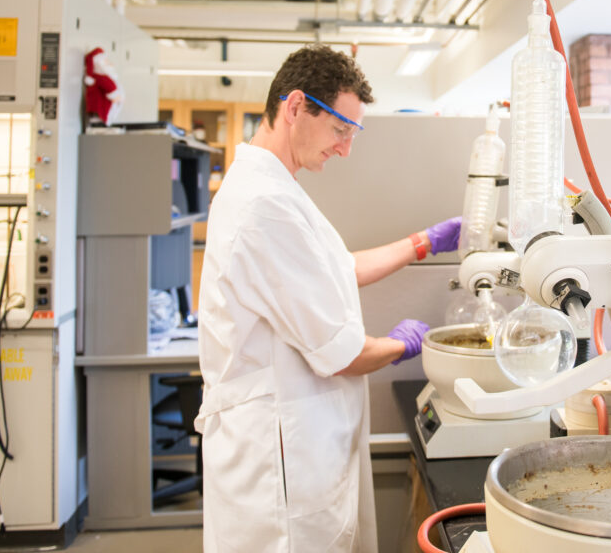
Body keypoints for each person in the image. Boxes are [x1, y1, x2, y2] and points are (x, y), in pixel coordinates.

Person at [195, 44, 461, 553]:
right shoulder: (265, 204)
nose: (345, 149)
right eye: (341, 129)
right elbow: (344, 355)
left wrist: (422, 243)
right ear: (295, 106)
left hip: (292, 442)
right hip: (278, 461)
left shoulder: (272, 188)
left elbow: (334, 272)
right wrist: (405, 345)